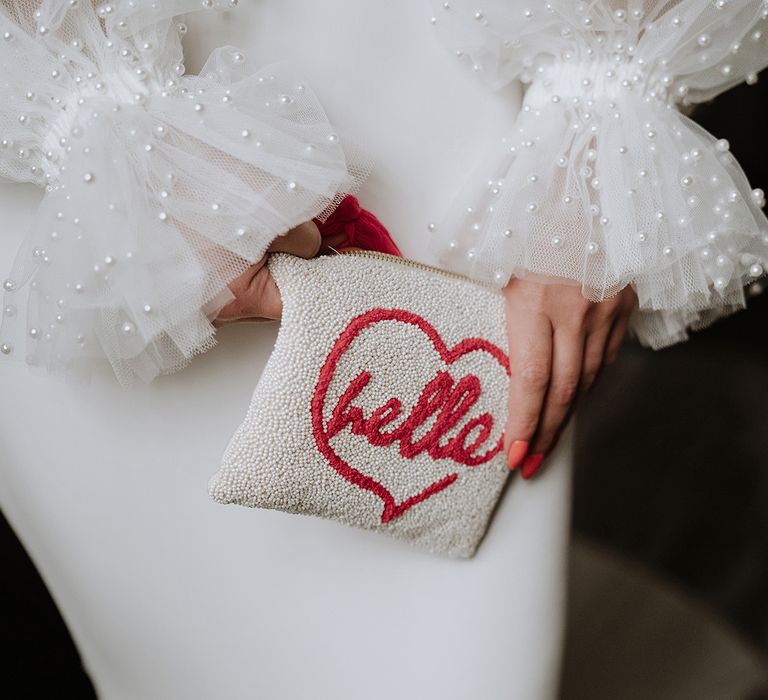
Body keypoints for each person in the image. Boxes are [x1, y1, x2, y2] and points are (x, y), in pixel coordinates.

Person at [0, 2, 765, 698]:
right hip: (81, 139)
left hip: (440, 81)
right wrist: (111, 124)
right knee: (178, 654)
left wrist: (605, 111)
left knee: (458, 662)